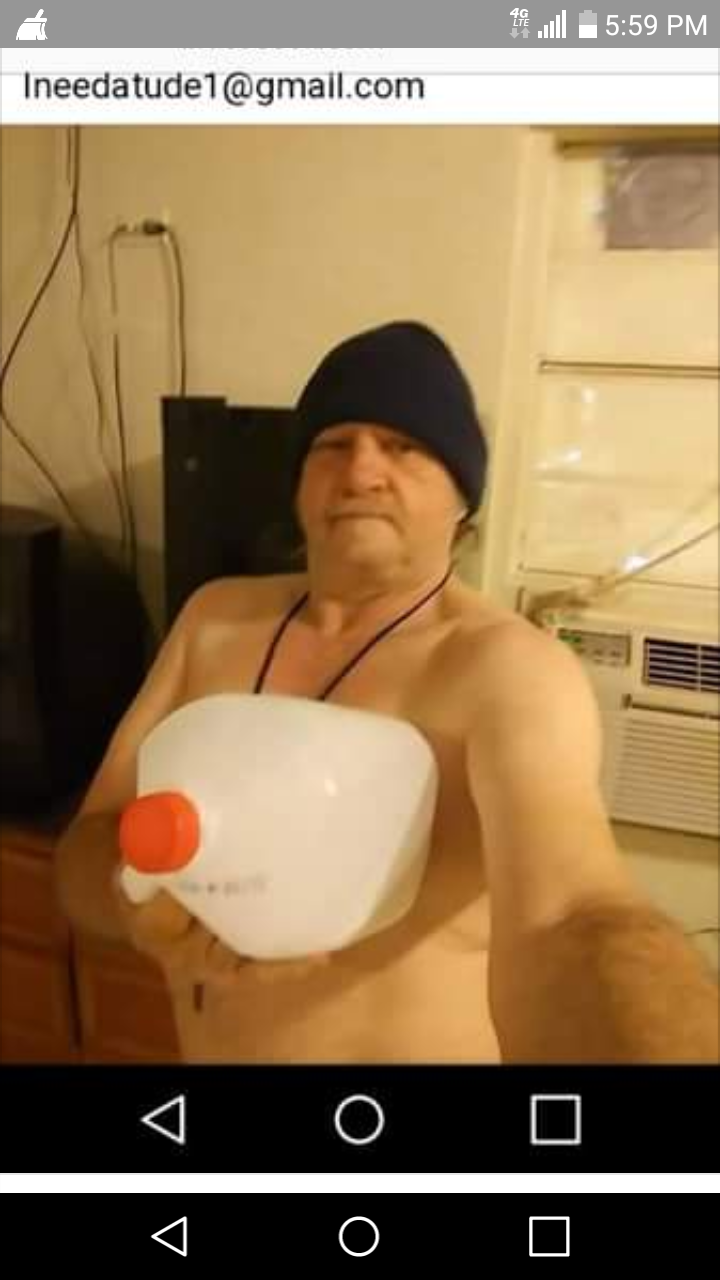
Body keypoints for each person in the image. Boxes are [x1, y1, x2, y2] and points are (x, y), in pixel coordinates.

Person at [55, 320, 719, 1065]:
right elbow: (87, 847)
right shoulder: (214, 620)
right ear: (299, 483)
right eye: (334, 443)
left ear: (463, 497)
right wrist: (129, 894)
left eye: (405, 447)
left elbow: (570, 915)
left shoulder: (506, 669)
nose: (361, 471)